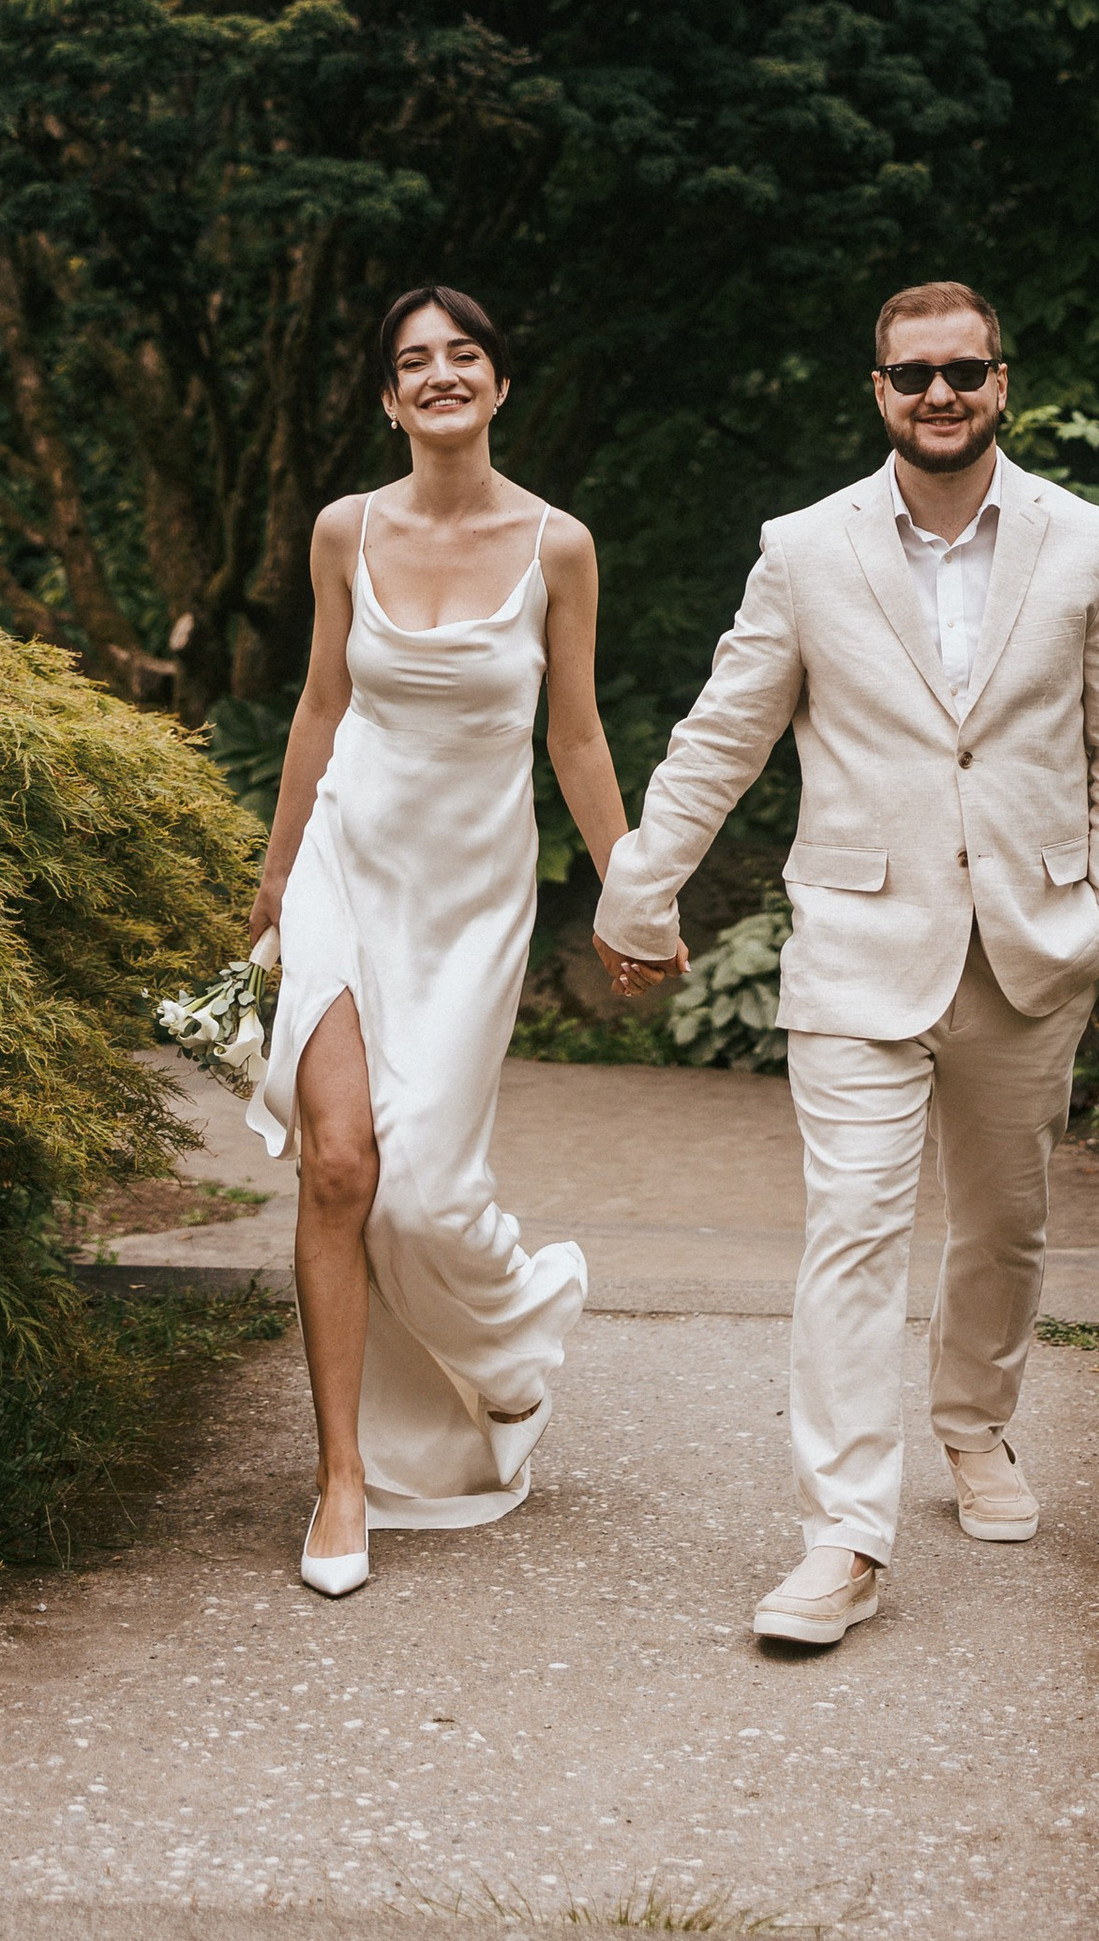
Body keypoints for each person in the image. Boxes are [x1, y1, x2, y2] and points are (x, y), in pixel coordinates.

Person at [593, 279, 1099, 1648]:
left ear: (1002, 381)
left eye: (964, 369)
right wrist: (637, 887)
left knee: (1005, 1221)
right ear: (878, 391)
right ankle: (844, 1534)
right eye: (913, 373)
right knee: (853, 1230)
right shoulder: (805, 550)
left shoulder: (1092, 545)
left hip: (1033, 947)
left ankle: (974, 1425)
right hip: (858, 941)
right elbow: (725, 730)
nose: (940, 393)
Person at [243, 285, 667, 1595]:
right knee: (341, 1165)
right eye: (412, 360)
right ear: (388, 396)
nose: (438, 373)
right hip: (344, 875)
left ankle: (513, 1343)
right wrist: (268, 889)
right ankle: (342, 1478)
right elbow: (319, 709)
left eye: (462, 354)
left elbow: (578, 735)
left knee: (424, 1193)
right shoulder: (340, 531)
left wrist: (627, 891)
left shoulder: (558, 546)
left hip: (473, 902)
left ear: (496, 384)